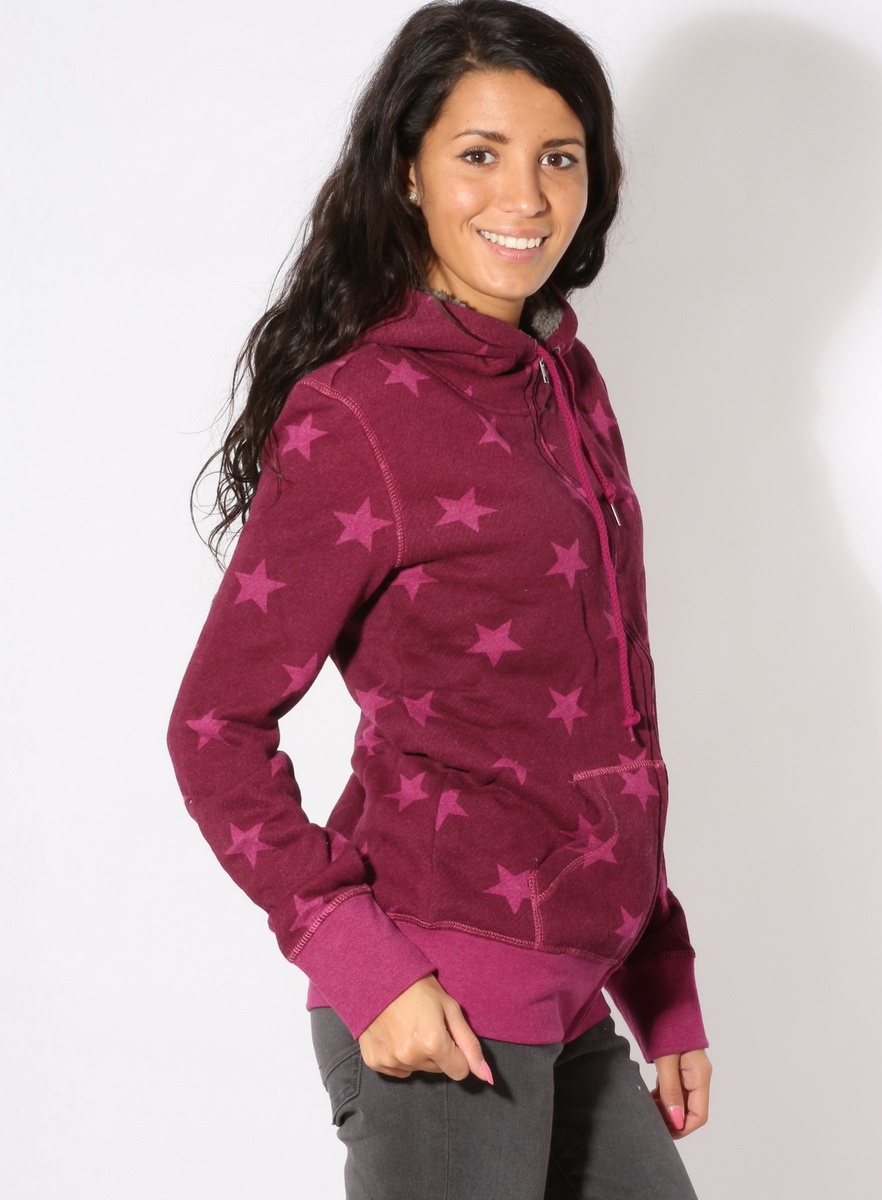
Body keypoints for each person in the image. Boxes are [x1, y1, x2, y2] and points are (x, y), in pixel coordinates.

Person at [166, 1, 712, 1195]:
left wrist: (659, 979)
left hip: (574, 987)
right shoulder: (359, 411)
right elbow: (213, 727)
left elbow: (605, 708)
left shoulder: (565, 380)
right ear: (407, 171)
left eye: (557, 157)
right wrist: (362, 964)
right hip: (441, 998)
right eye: (479, 153)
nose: (525, 197)